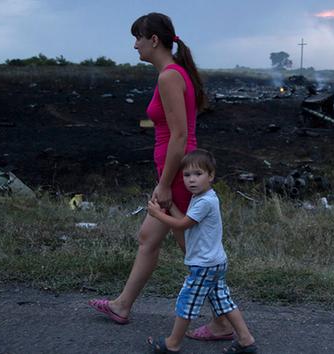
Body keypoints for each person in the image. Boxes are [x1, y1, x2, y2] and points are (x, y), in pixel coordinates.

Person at [88, 12, 234, 340]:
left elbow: (180, 137)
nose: (134, 45)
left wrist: (166, 184)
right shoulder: (176, 73)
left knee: (197, 255)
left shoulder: (169, 76)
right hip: (172, 172)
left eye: (138, 37)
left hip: (177, 176)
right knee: (148, 238)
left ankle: (225, 323)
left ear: (154, 40)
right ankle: (122, 305)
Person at [146, 149, 257, 354]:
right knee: (222, 301)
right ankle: (246, 340)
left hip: (204, 264)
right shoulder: (203, 197)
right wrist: (169, 207)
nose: (191, 180)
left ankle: (172, 344)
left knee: (187, 300)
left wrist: (156, 214)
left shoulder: (205, 201)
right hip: (214, 261)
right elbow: (185, 220)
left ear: (211, 176)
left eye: (198, 174)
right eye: (187, 175)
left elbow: (182, 224)